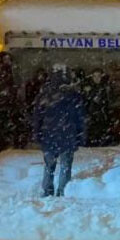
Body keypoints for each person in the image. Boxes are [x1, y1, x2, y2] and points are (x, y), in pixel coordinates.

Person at [31, 64, 87, 197]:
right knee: (65, 165)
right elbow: (80, 118)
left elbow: (37, 117)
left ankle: (47, 190)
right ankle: (63, 191)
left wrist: (37, 134)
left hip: (48, 134)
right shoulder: (74, 96)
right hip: (68, 134)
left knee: (49, 165)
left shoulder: (44, 95)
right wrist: (80, 135)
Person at [0, 52, 22, 153]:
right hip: (2, 103)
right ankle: (3, 146)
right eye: (6, 59)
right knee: (3, 125)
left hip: (4, 103)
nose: (8, 62)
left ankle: (4, 145)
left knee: (4, 125)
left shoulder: (2, 70)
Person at [82, 68, 112, 147]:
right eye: (94, 76)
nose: (96, 78)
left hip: (101, 116)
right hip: (92, 116)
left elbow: (107, 101)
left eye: (98, 76)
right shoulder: (88, 87)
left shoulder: (105, 87)